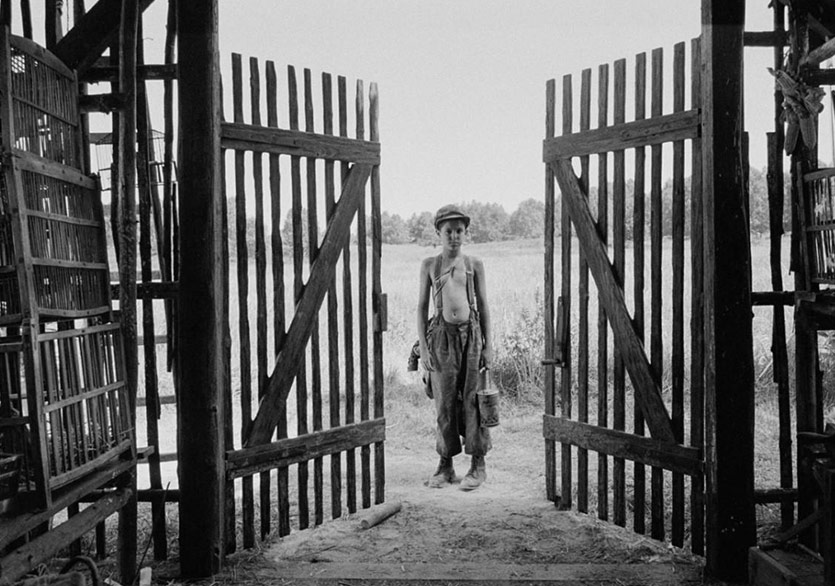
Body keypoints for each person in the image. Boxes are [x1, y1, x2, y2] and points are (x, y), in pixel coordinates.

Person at [416, 204, 493, 490]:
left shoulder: (473, 265)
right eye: (448, 231)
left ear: (465, 233)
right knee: (444, 402)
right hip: (440, 339)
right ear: (438, 232)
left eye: (459, 231)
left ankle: (477, 465)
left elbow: (483, 306)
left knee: (473, 401)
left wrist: (488, 345)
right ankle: (445, 465)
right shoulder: (429, 265)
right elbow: (422, 308)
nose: (454, 237)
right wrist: (424, 350)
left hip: (471, 338)